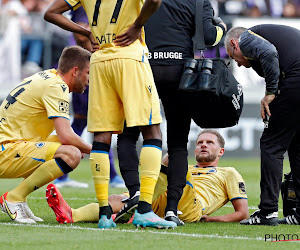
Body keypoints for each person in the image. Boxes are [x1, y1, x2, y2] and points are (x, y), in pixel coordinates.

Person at [44, 0, 176, 229]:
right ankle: (145, 209)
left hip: (100, 60)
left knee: (101, 137)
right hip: (130, 57)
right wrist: (137, 26)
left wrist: (86, 31)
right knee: (152, 130)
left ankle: (105, 214)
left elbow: (51, 13)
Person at [115, 0, 227, 226]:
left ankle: (135, 194)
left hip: (143, 67)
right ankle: (171, 211)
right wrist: (222, 27)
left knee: (127, 135)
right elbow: (208, 36)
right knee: (177, 146)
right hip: (180, 72)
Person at [46, 130, 249, 224]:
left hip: (190, 206)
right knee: (116, 200)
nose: (203, 145)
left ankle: (146, 206)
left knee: (175, 157)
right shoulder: (185, 166)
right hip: (165, 193)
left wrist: (213, 219)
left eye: (209, 143)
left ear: (221, 151)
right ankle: (72, 214)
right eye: (200, 142)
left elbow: (243, 212)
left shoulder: (228, 172)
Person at [0, 45, 92, 224]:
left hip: (11, 145)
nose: (89, 79)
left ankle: (19, 199)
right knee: (71, 153)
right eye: (88, 73)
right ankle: (14, 197)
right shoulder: (57, 86)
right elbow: (65, 135)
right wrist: (97, 150)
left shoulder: (47, 76)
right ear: (75, 71)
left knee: (74, 148)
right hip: (5, 150)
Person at [224, 25, 300, 226]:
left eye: (233, 57)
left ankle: (267, 212)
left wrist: (270, 92)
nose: (238, 65)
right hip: (295, 80)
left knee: (271, 144)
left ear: (234, 44)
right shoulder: (264, 36)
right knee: (296, 145)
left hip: (296, 79)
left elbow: (269, 52)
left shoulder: (246, 38)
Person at [54, 6, 125, 189]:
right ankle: (112, 175)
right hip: (88, 71)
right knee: (100, 123)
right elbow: (81, 33)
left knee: (83, 123)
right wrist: (97, 55)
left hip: (89, 68)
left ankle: (60, 174)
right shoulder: (88, 5)